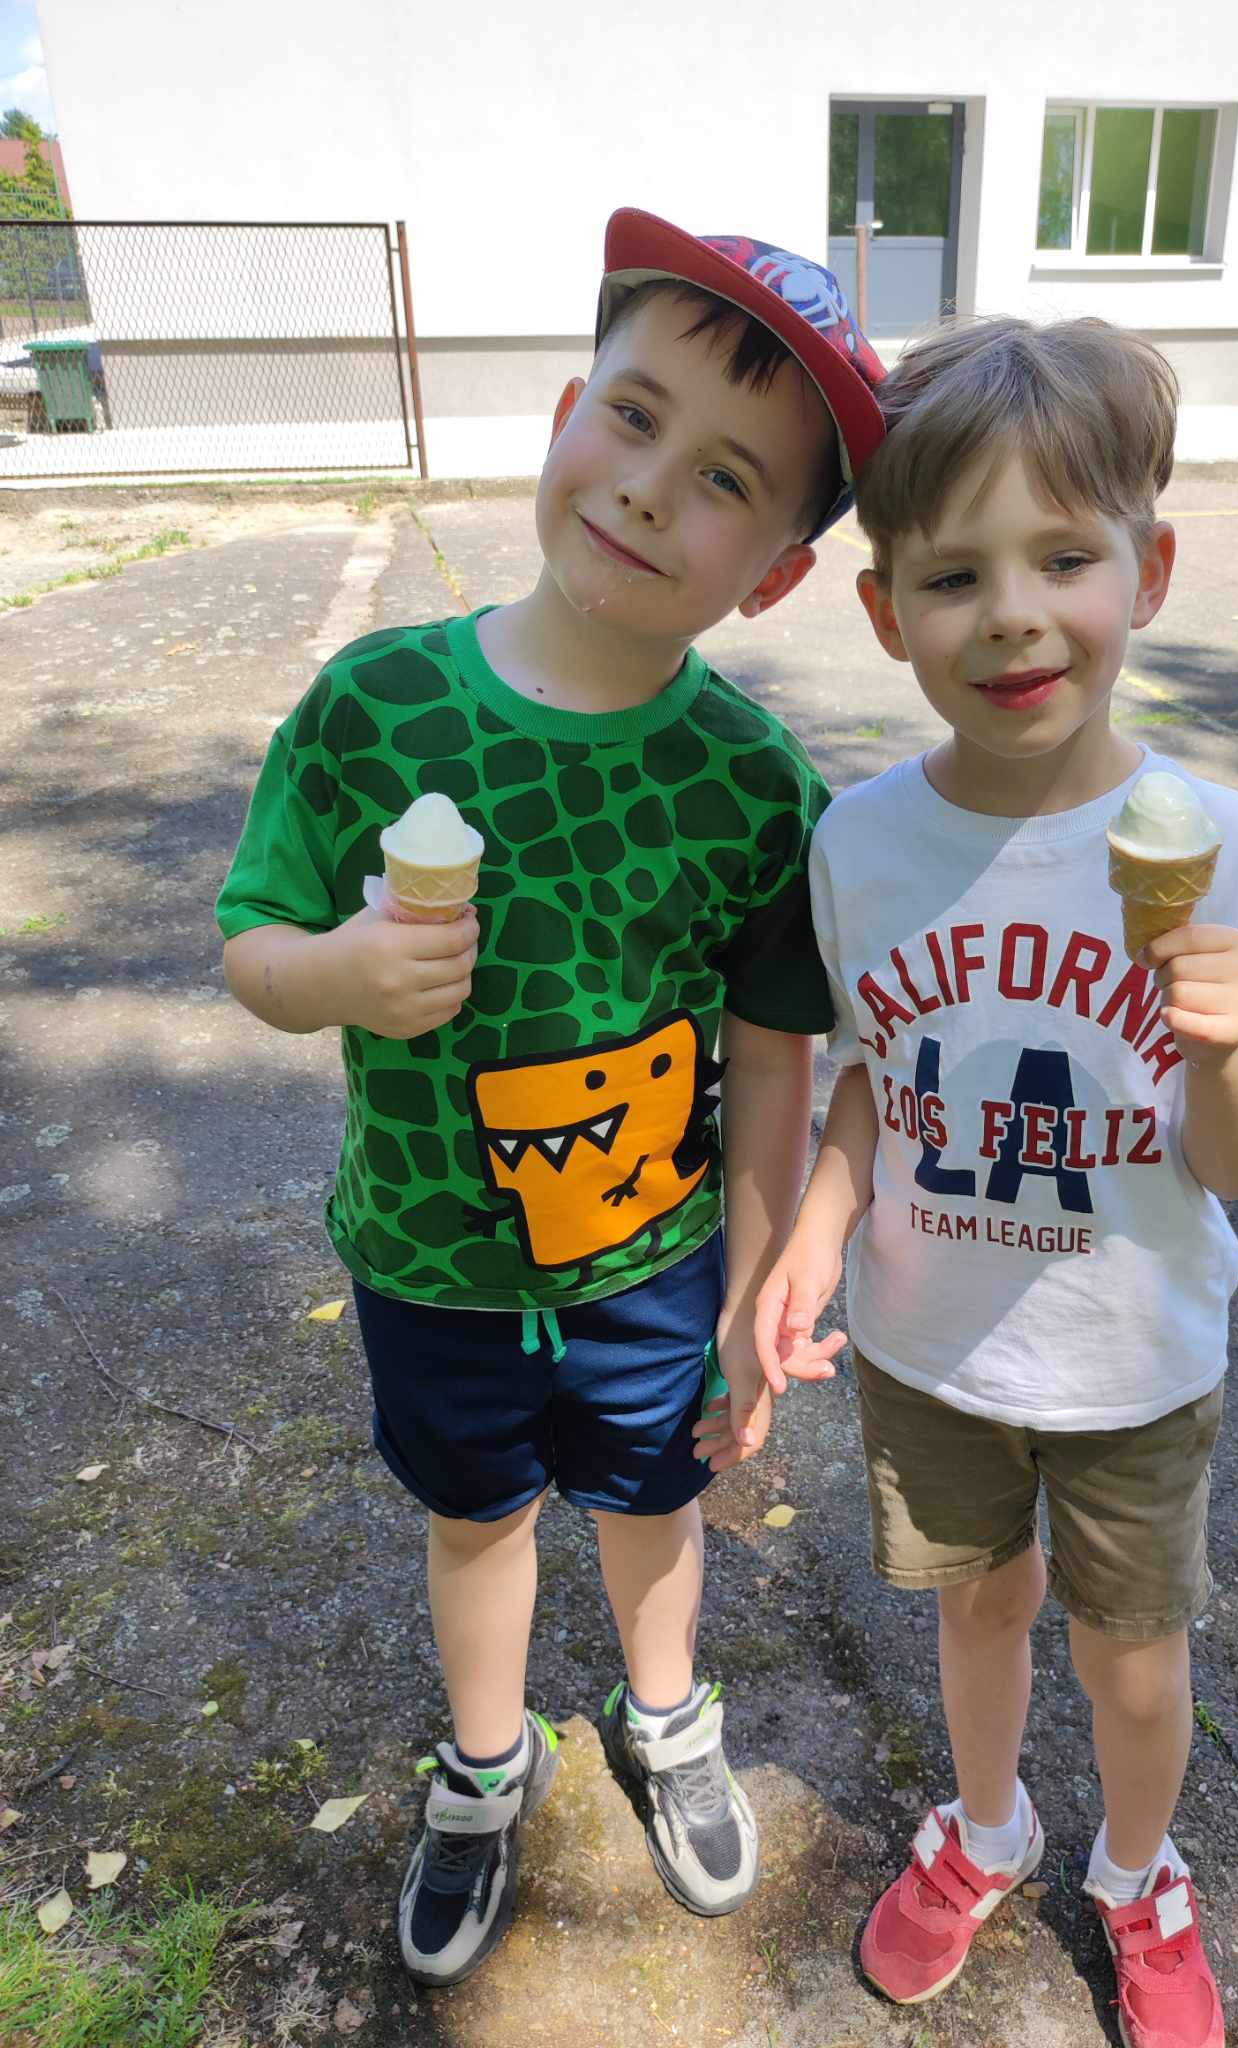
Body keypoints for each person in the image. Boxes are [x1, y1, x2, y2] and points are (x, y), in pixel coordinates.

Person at [216, 208, 880, 1989]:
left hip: (650, 1261)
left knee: (658, 1503)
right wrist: (343, 973)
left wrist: (755, 1281)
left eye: (727, 477)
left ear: (776, 577)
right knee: (475, 1515)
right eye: (636, 415)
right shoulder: (373, 712)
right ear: (567, 409)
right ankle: (487, 1758)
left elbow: (776, 1058)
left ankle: (665, 1718)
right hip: (427, 1255)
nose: (652, 485)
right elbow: (253, 944)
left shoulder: (753, 785)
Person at [753, 315, 1238, 2045]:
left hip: (1133, 1360)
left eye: (1063, 558)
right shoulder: (861, 841)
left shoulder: (1227, 847)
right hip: (931, 1348)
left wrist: (1223, 1047)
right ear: (885, 614)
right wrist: (815, 1231)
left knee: (1133, 1658)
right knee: (979, 1606)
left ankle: (1141, 1873)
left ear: (1148, 571)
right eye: (955, 575)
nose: (1012, 614)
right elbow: (875, 1075)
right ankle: (987, 1826)